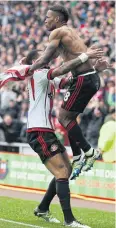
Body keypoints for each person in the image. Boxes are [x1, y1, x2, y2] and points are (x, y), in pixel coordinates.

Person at [27, 4, 109, 179]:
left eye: (48, 17)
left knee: (63, 117)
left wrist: (26, 69)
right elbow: (61, 58)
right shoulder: (69, 33)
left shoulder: (56, 33)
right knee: (68, 118)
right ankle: (78, 155)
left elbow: (46, 59)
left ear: (57, 19)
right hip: (89, 77)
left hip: (83, 79)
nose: (45, 20)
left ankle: (88, 152)